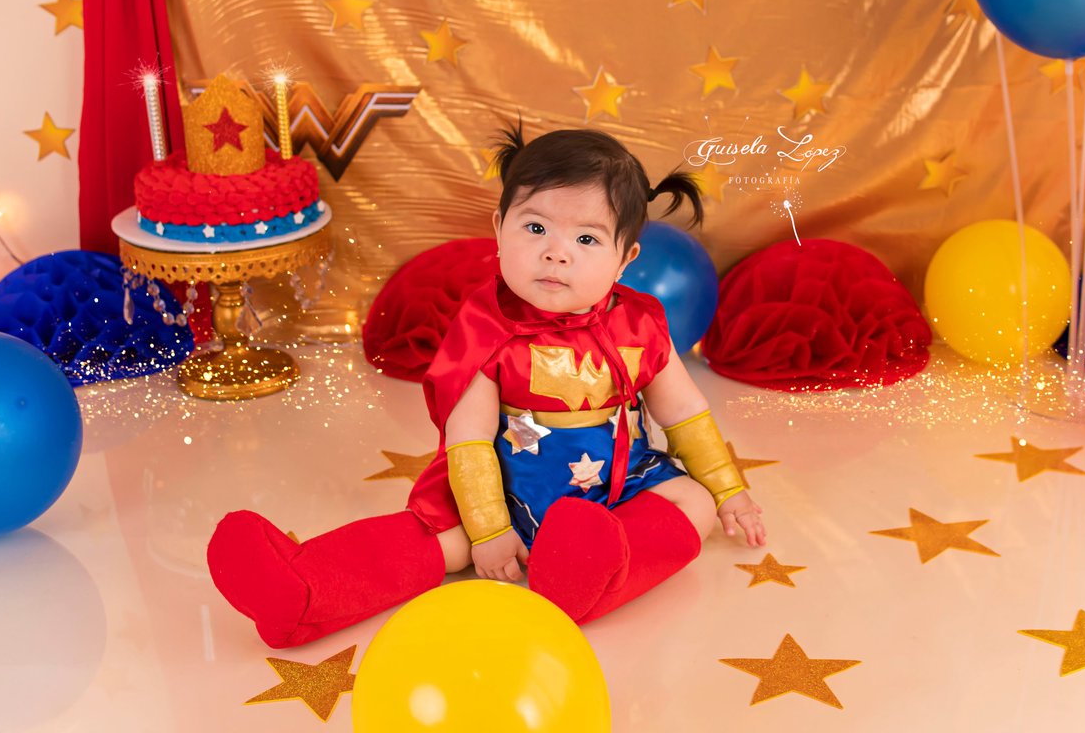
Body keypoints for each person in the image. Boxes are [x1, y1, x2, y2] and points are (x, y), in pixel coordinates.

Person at [207, 126, 766, 649]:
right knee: (441, 539)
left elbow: (684, 413)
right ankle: (304, 590)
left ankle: (594, 576)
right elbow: (469, 439)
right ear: (499, 228)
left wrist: (728, 490)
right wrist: (491, 530)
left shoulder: (640, 324)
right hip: (507, 491)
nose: (557, 252)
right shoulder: (488, 328)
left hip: (618, 487)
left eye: (587, 238)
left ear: (626, 258)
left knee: (692, 503)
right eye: (536, 228)